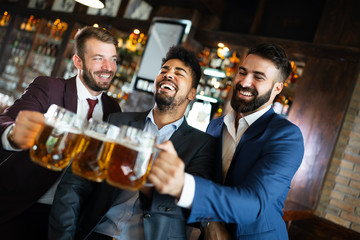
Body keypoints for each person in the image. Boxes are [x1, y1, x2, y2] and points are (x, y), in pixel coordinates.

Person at [49, 45, 217, 240]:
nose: (168, 75)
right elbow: (74, 184)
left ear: (192, 94)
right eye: (164, 70)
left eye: (179, 73)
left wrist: (140, 175)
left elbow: (191, 204)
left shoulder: (203, 144)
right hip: (95, 233)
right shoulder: (116, 122)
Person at [148, 43, 305, 240]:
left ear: (277, 88)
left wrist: (183, 185)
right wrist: (209, 223)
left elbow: (254, 204)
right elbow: (211, 183)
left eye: (258, 77)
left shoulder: (286, 136)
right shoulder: (215, 126)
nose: (245, 82)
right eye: (242, 72)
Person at [0, 26, 121, 239]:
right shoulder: (49, 88)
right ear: (78, 62)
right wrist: (13, 134)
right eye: (99, 58)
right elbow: (5, 120)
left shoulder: (114, 109)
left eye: (113, 59)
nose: (108, 67)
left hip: (70, 220)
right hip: (23, 206)